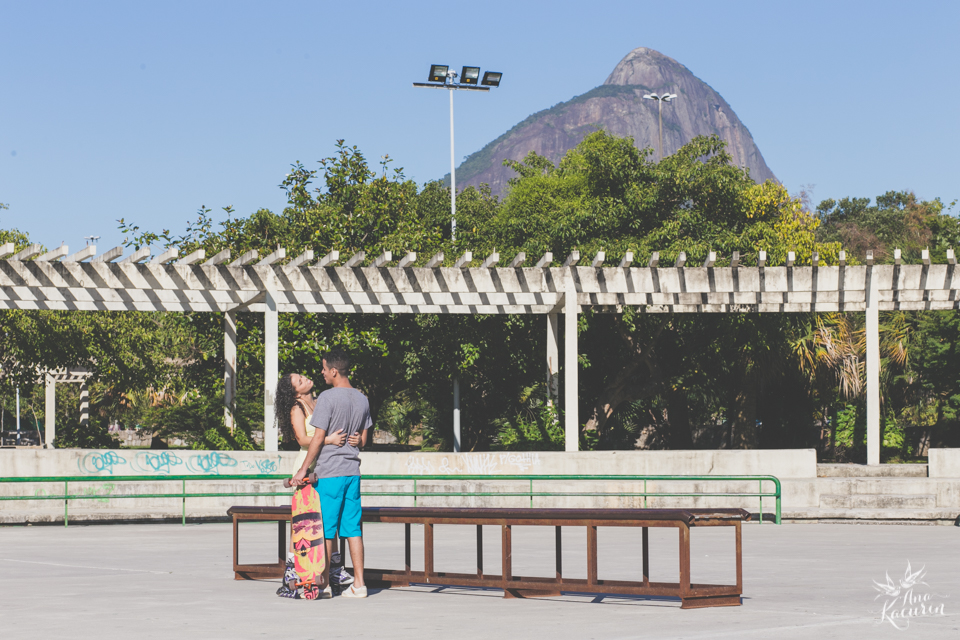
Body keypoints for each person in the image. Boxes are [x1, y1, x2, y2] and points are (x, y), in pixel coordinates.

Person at [292, 348, 372, 598]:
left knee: (326, 530)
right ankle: (359, 584)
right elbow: (364, 440)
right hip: (353, 472)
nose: (322, 373)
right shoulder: (362, 398)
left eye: (324, 369)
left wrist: (303, 468)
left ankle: (324, 584)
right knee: (353, 529)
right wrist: (356, 441)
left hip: (330, 473)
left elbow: (317, 438)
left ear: (334, 371)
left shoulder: (327, 398)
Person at [275, 372, 355, 595]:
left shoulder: (321, 401)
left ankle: (334, 568)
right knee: (303, 522)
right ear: (295, 392)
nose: (305, 379)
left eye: (301, 376)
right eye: (299, 382)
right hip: (307, 469)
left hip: (327, 468)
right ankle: (293, 568)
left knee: (329, 519)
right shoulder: (297, 409)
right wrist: (328, 439)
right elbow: (301, 439)